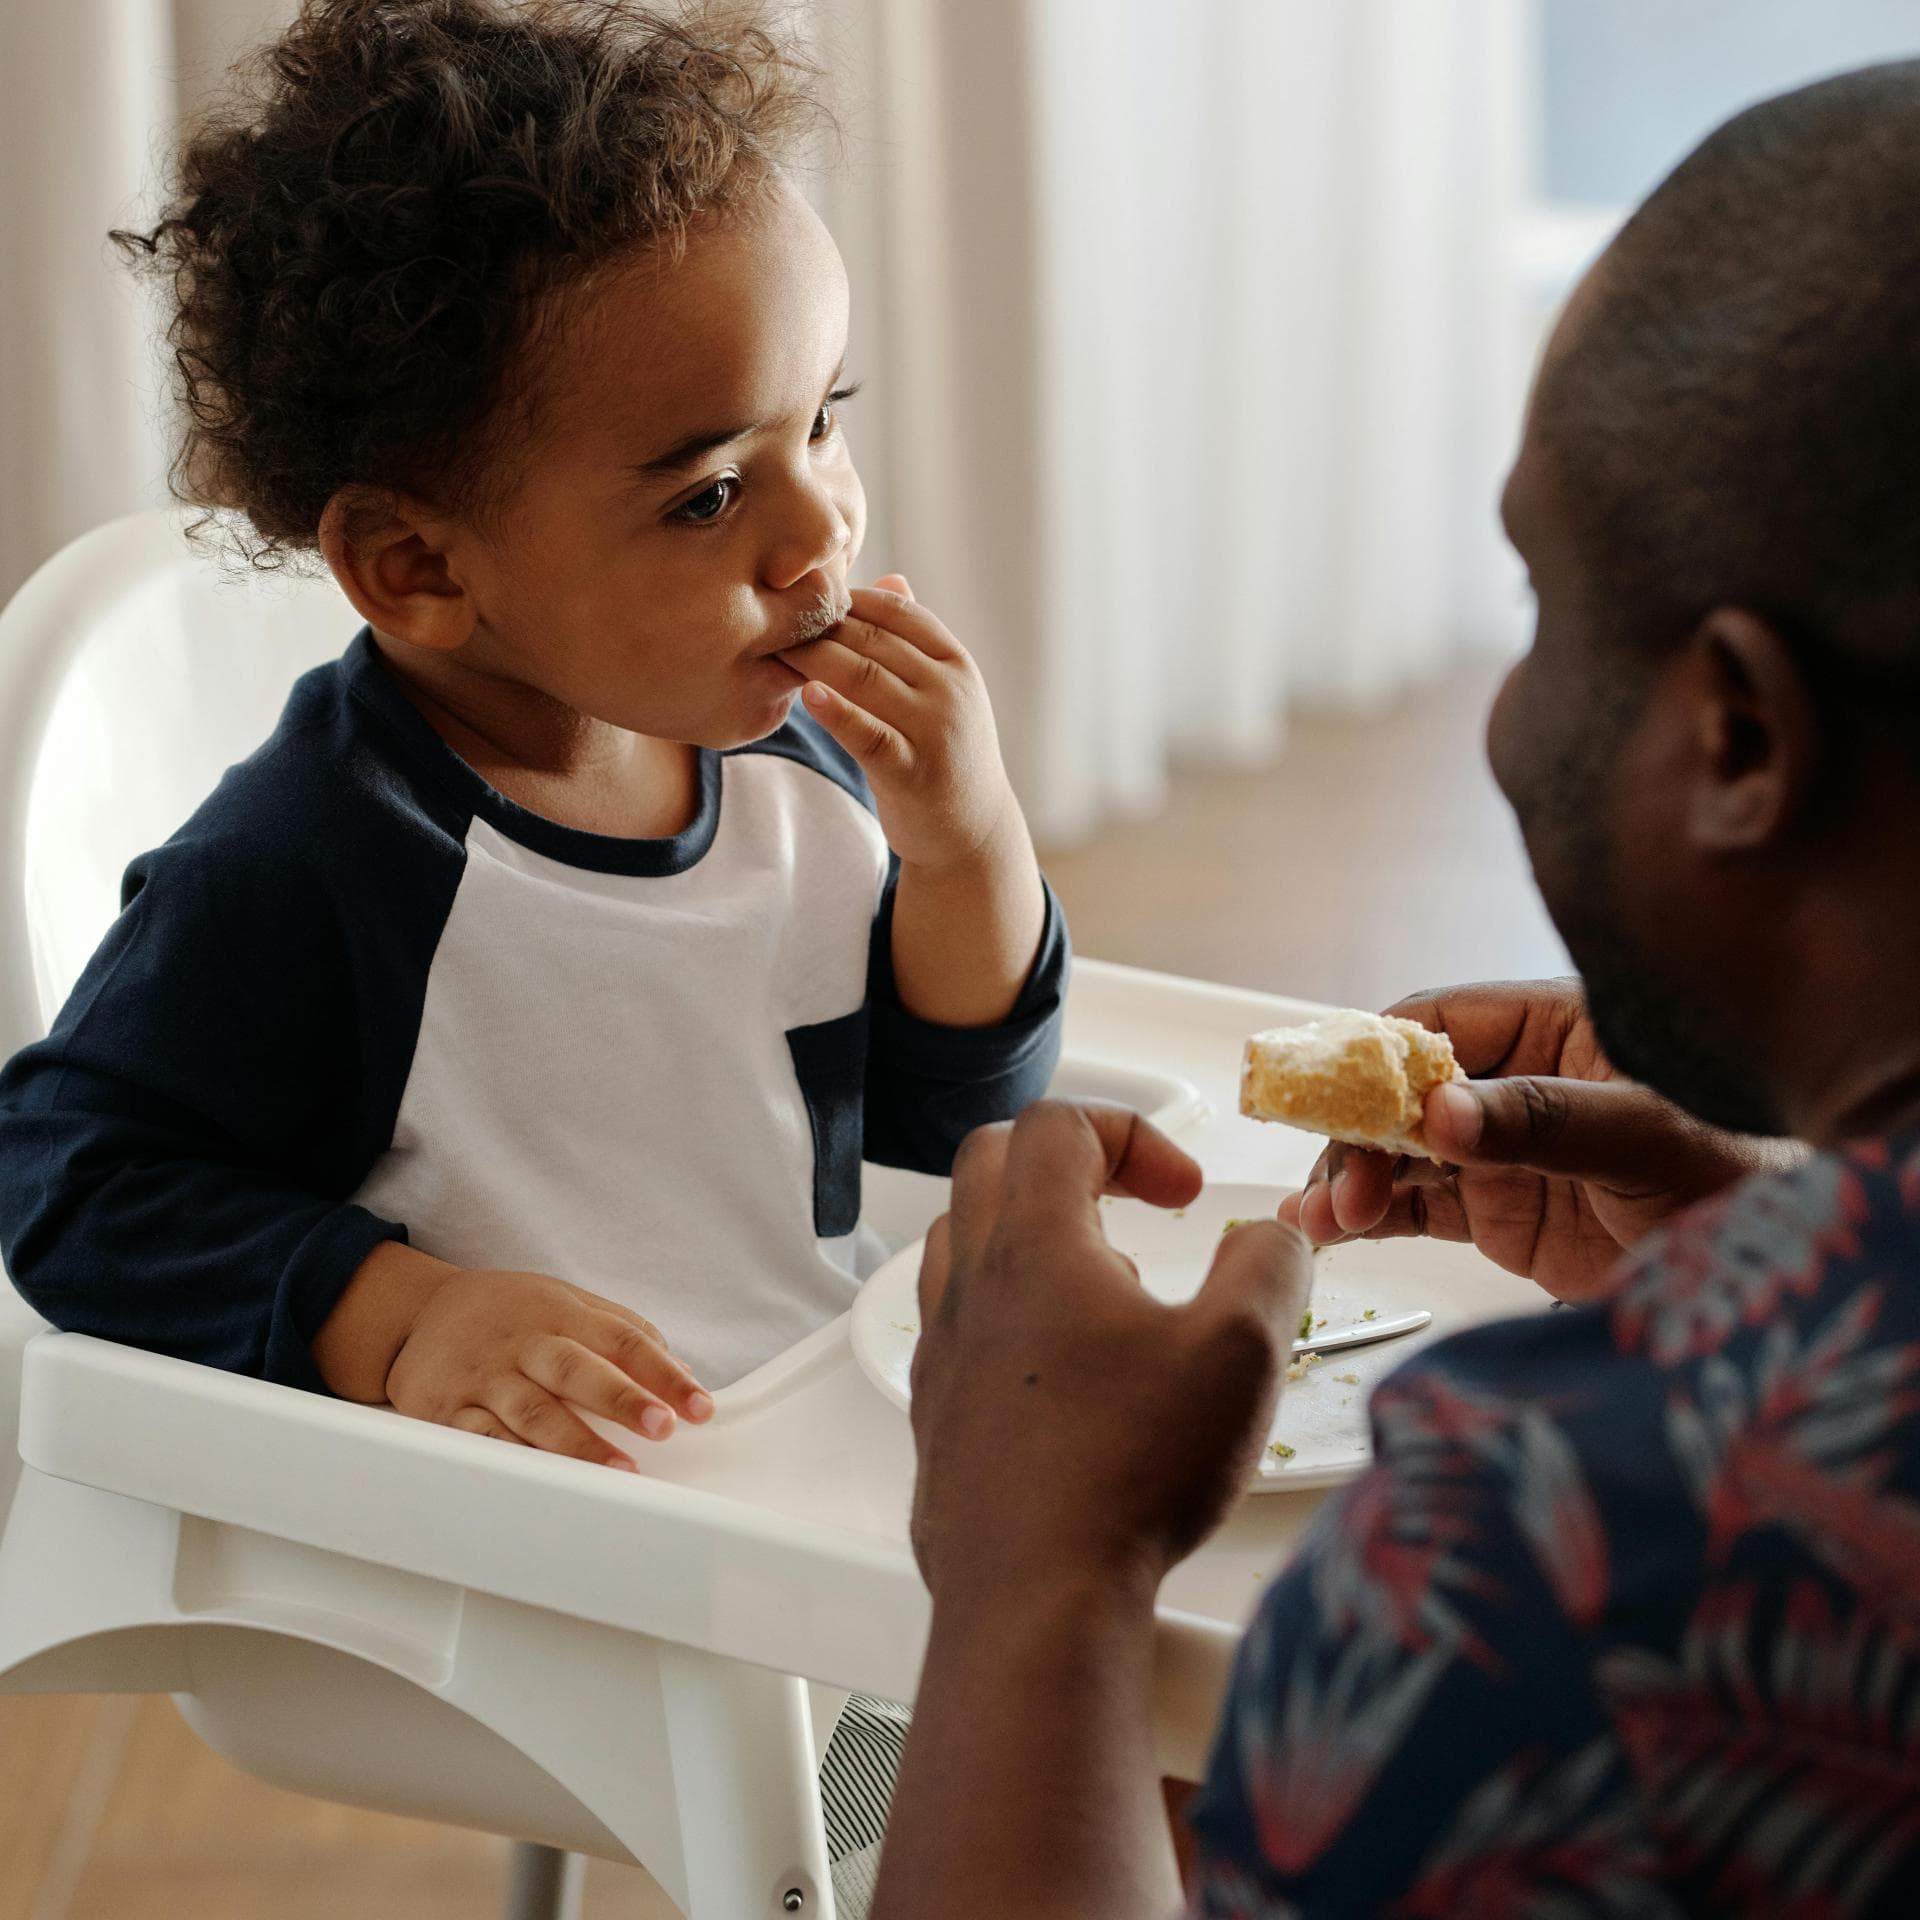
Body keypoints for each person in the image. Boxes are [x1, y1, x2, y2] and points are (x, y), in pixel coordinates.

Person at [0, 1, 1065, 1905]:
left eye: (824, 422)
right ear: (418, 569)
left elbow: (938, 1115)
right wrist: (397, 1317)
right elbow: (66, 1176)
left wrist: (967, 846)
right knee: (1037, 1790)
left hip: (806, 1501)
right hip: (508, 1577)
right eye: (711, 492)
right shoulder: (313, 867)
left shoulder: (788, 764)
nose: (823, 531)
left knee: (1143, 1669)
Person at [871, 60, 1920, 1919]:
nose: (1507, 711)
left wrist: (1039, 1579)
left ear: (1740, 732)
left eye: (1539, 600)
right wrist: (1789, 1241)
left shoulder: (1547, 1565)